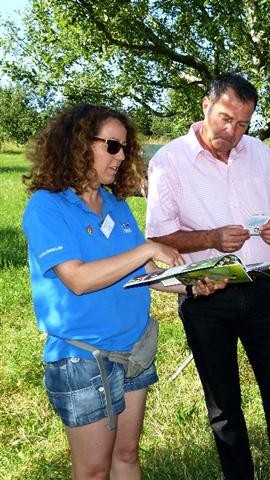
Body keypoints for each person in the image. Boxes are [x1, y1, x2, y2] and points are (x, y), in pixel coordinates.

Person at [22, 104, 226, 480]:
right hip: (83, 358)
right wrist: (147, 247)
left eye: (126, 148)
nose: (121, 157)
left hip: (134, 348)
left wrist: (191, 284)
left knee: (128, 456)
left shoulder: (116, 205)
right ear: (79, 145)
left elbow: (146, 273)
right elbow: (78, 280)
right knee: (93, 470)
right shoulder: (46, 207)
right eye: (113, 147)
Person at [145, 73, 270, 479]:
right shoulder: (168, 162)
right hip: (204, 293)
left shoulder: (259, 153)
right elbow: (159, 237)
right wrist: (212, 238)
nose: (232, 132)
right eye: (225, 119)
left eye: (242, 124)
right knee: (223, 406)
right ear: (205, 105)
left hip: (258, 287)